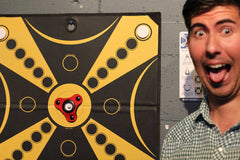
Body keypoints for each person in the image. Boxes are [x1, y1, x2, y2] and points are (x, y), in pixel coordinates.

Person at [161, 0, 240, 159]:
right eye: (200, 33)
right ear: (188, 46)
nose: (211, 48)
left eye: (226, 31)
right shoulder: (176, 140)